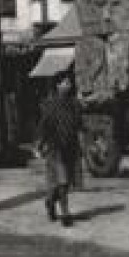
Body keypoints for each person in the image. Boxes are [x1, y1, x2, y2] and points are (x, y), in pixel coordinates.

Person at [35, 72, 83, 226]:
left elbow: (79, 124)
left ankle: (50, 201)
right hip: (56, 147)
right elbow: (44, 126)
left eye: (69, 83)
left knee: (66, 182)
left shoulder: (75, 104)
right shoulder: (51, 104)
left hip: (71, 147)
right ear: (57, 85)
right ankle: (65, 213)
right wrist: (40, 144)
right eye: (65, 83)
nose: (68, 85)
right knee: (62, 181)